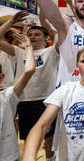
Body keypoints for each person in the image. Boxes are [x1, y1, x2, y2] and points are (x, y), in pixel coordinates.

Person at [0, 11, 59, 160]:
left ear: (46, 38)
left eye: (37, 34)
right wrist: (11, 21)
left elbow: (59, 35)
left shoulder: (51, 51)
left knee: (48, 139)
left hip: (46, 101)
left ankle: (50, 158)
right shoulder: (19, 52)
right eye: (30, 34)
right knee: (28, 140)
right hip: (24, 101)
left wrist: (44, 14)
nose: (32, 37)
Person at [0, 33, 35, 161]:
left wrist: (29, 48)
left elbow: (29, 71)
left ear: (1, 77)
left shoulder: (7, 96)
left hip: (8, 156)